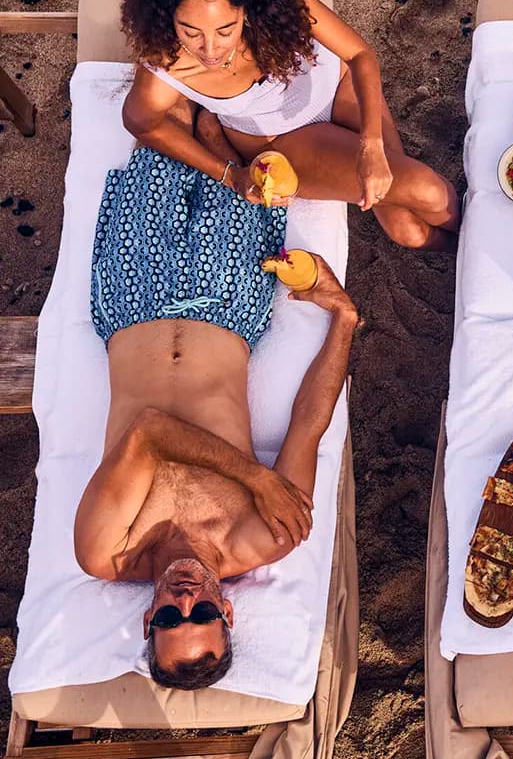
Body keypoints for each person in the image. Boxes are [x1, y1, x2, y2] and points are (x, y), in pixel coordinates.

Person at [74, 146, 356, 690]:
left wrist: (255, 478)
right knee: (244, 147)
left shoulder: (105, 549)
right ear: (227, 613)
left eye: (168, 619)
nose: (185, 601)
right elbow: (308, 426)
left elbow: (149, 432)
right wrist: (343, 315)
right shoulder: (267, 533)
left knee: (160, 132)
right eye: (202, 616)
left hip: (133, 298)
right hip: (228, 303)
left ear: (146, 620)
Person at [118, 0, 458, 250]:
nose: (211, 49)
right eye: (191, 32)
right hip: (283, 139)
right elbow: (140, 122)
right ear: (169, 20)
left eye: (225, 29)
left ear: (246, 9)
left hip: (338, 82)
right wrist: (230, 175)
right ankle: (476, 250)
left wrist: (371, 145)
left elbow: (359, 55)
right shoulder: (166, 68)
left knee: (407, 224)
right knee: (423, 206)